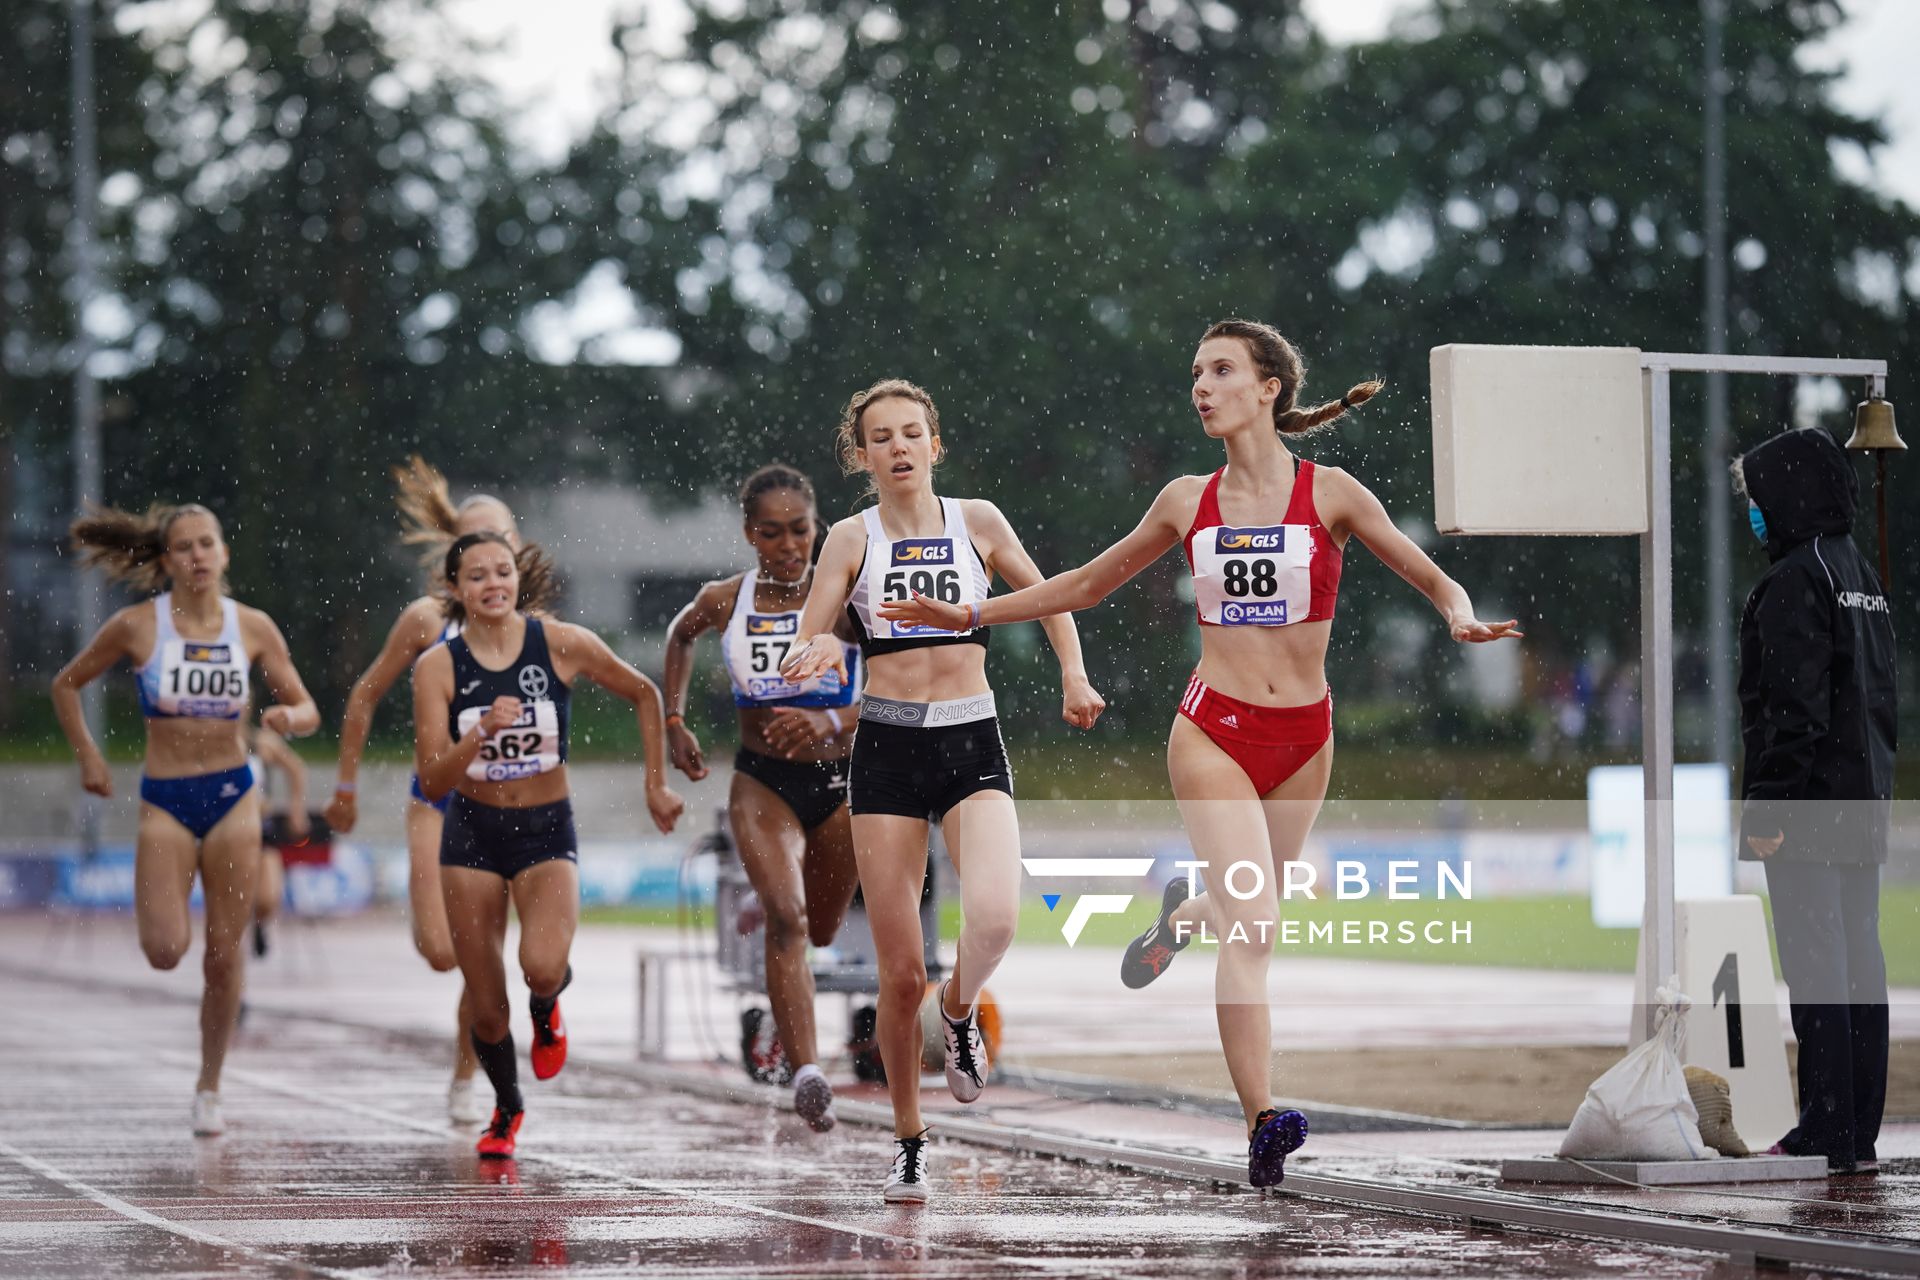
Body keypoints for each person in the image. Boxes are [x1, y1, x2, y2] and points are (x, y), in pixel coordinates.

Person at [879, 320, 1519, 1187]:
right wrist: (971, 614)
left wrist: (1456, 612)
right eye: (1195, 373)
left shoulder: (1333, 494)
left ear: (1269, 389)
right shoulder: (1187, 500)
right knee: (1255, 929)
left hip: (1305, 738)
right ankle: (1262, 1117)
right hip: (1213, 733)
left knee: (1252, 906)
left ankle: (1183, 916)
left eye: (1221, 371)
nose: (1202, 386)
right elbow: (1086, 584)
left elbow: (1430, 573)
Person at [781, 379, 1106, 1203]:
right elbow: (813, 626)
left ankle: (956, 1013)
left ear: (935, 445)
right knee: (896, 975)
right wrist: (813, 653)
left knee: (994, 919)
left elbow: (1053, 596)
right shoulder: (851, 538)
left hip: (970, 737)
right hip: (887, 748)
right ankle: (909, 1140)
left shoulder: (980, 521)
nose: (897, 447)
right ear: (861, 456)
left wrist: (1073, 672)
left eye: (911, 433)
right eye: (880, 437)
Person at [51, 503, 320, 1136]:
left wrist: (289, 718)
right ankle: (203, 1062)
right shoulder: (137, 627)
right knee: (167, 951)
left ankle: (210, 1086)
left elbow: (305, 704)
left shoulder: (251, 627)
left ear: (224, 553)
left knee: (224, 957)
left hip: (234, 797)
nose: (198, 556)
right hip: (166, 799)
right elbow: (66, 684)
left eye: (208, 544)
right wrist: (89, 756)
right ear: (166, 560)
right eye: (184, 548)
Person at [413, 531, 684, 1158]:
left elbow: (642, 692)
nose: (492, 585)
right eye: (476, 576)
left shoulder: (558, 643)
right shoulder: (438, 667)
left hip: (544, 831)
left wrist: (655, 785)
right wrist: (479, 733)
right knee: (484, 1009)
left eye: (501, 572)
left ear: (517, 579)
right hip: (472, 834)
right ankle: (506, 1108)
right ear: (456, 590)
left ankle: (547, 1004)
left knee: (539, 964)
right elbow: (432, 779)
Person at [662, 464, 862, 1132]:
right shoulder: (727, 599)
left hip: (842, 784)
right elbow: (680, 635)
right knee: (790, 921)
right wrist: (674, 719)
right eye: (772, 534)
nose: (788, 546)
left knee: (824, 930)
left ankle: (770, 893)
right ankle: (807, 1072)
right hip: (763, 780)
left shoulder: (849, 596)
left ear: (816, 527)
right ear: (750, 535)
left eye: (800, 530)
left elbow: (904, 682)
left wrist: (829, 720)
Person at [325, 458, 519, 1124]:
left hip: (510, 807)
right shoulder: (424, 619)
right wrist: (345, 785)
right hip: (437, 801)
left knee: (482, 956)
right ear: (451, 558)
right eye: (473, 544)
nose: (489, 555)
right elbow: (365, 693)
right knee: (442, 951)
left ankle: (470, 1075)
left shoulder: (540, 629)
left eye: (500, 541)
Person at [1733, 425, 1897, 1176]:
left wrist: (1766, 810)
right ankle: (1856, 1128)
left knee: (1818, 972)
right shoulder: (1862, 574)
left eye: (1757, 498)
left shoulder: (1796, 579)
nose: (1753, 513)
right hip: (1863, 802)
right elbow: (1879, 705)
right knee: (1862, 965)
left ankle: (1825, 1127)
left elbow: (1791, 710)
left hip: (1806, 808)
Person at [247, 724, 311, 958]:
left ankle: (259, 924)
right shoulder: (213, 738)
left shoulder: (260, 742)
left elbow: (295, 768)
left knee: (268, 897)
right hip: (227, 829)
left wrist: (297, 809)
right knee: (233, 899)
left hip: (261, 826)